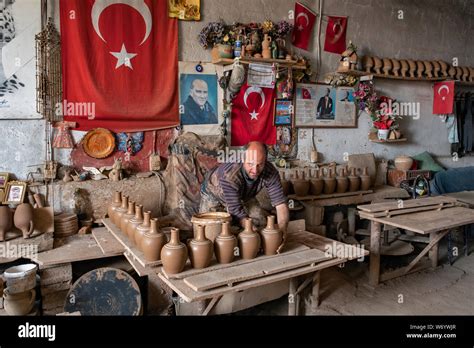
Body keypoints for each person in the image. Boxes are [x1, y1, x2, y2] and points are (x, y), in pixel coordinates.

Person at [200, 141, 289, 252]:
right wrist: (251, 231)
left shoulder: (270, 171)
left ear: (265, 160)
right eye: (250, 164)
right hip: (213, 193)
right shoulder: (230, 175)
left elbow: (280, 204)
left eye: (259, 164)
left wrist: (283, 229)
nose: (255, 170)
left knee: (260, 222)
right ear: (243, 159)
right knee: (211, 234)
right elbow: (236, 210)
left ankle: (255, 247)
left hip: (244, 195)